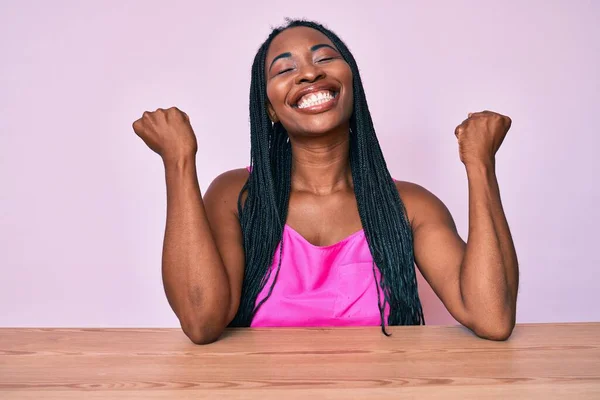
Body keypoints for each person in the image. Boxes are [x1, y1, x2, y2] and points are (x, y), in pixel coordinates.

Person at [132, 19, 518, 345]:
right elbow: (202, 322)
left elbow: (492, 318)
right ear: (269, 107)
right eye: (284, 70)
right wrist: (179, 162)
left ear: (351, 81)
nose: (309, 73)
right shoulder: (238, 196)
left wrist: (480, 166)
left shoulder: (410, 205)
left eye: (325, 59)